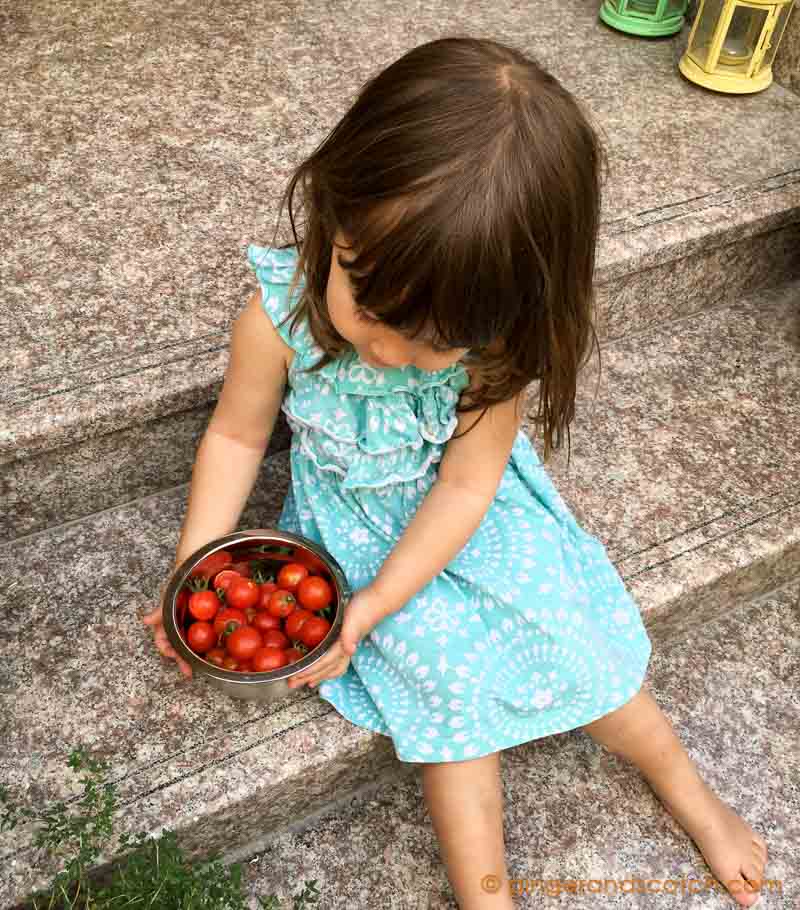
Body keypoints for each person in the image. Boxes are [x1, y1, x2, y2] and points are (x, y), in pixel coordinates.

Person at [144, 37, 768, 909]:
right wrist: (199, 565)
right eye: (366, 304)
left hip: (467, 517)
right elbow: (236, 439)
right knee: (445, 697)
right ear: (336, 214)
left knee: (580, 647)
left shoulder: (491, 348)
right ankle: (488, 897)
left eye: (430, 341)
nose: (388, 352)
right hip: (354, 527)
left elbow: (468, 487)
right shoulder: (278, 315)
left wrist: (381, 599)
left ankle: (691, 793)